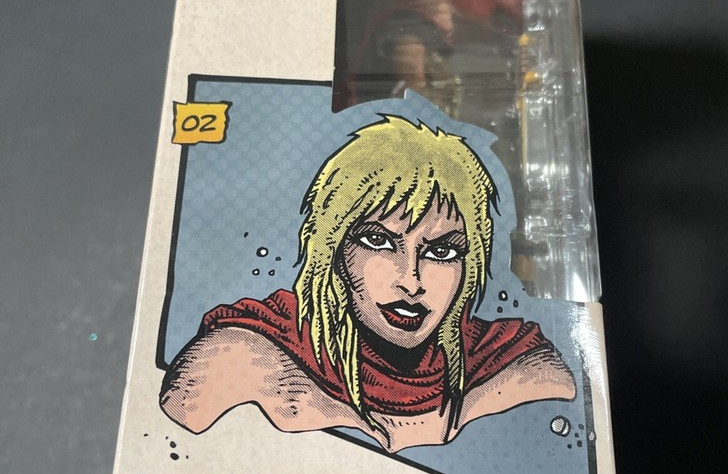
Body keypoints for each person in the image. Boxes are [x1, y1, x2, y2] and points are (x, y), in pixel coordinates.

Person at [160, 115, 574, 453]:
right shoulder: (251, 349)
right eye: (378, 242)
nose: (411, 281)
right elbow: (171, 446)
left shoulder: (505, 357)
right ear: (335, 249)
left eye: (441, 251)